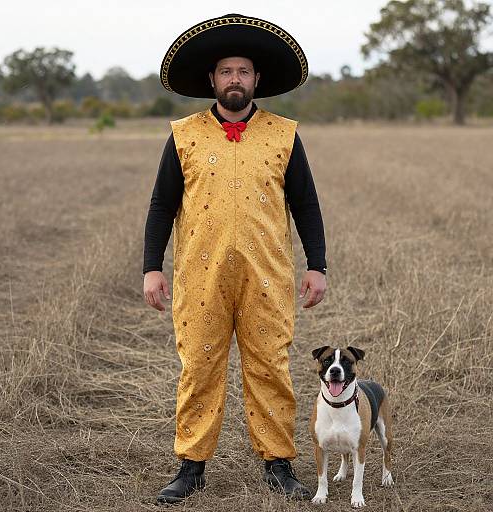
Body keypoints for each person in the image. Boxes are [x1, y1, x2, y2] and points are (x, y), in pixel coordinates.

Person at [142, 13, 327, 504]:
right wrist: (151, 267)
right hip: (201, 275)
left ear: (257, 79)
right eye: (226, 72)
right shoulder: (184, 135)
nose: (235, 80)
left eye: (243, 71)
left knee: (270, 366)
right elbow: (162, 204)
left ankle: (278, 465)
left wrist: (317, 265)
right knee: (199, 367)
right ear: (212, 79)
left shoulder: (284, 134)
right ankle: (191, 467)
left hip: (267, 273)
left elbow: (305, 203)